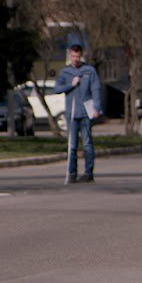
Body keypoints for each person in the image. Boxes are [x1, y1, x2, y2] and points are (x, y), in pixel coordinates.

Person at [51, 44, 102, 183]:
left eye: (78, 56)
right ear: (69, 55)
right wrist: (71, 85)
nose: (76, 59)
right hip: (71, 114)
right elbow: (57, 89)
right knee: (72, 145)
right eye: (73, 56)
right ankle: (72, 172)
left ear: (81, 56)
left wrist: (96, 108)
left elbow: (96, 89)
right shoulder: (65, 72)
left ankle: (88, 173)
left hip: (86, 111)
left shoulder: (89, 71)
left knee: (87, 143)